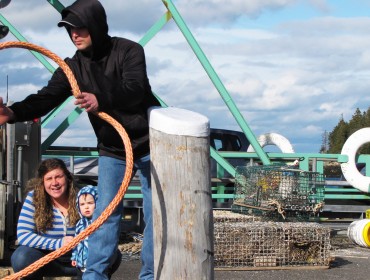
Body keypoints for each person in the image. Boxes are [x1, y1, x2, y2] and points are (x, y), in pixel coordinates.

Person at [0, 0, 161, 279]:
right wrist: (13, 112)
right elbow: (45, 98)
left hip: (149, 144)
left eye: (80, 28)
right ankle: (93, 275)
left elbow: (136, 89)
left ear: (97, 27)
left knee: (155, 214)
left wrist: (103, 99)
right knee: (104, 215)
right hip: (113, 148)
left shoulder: (129, 50)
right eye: (69, 29)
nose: (74, 34)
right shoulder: (72, 67)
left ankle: (149, 276)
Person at [10, 158, 80, 279]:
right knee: (21, 257)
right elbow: (23, 235)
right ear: (42, 182)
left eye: (58, 177)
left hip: (79, 259)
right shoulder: (34, 198)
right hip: (47, 260)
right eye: (49, 178)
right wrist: (59, 243)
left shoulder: (83, 196)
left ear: (67, 178)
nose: (54, 183)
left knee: (112, 255)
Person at [71, 185, 98, 277]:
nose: (86, 207)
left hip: (95, 264)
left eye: (90, 203)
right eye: (82, 204)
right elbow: (76, 242)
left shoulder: (99, 223)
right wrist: (74, 257)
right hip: (80, 265)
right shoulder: (80, 224)